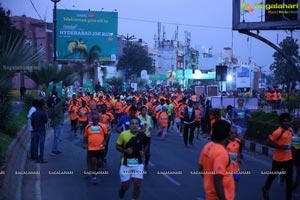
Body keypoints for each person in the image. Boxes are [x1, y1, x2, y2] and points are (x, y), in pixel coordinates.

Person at [199, 120, 235, 200]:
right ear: (227, 134)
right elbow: (217, 179)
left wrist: (209, 181)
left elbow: (201, 169)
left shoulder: (207, 147)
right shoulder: (221, 153)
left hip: (209, 195)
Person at [262, 113, 293, 200]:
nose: (287, 123)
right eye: (285, 121)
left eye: (288, 121)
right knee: (273, 175)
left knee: (289, 180)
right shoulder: (278, 132)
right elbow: (268, 142)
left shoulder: (289, 131)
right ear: (281, 122)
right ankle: (265, 188)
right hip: (278, 159)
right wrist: (280, 147)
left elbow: (289, 143)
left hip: (289, 159)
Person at [116, 118, 149, 199]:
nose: (134, 125)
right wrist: (125, 151)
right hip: (125, 163)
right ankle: (123, 189)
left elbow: (146, 145)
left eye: (136, 124)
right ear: (130, 125)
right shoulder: (123, 134)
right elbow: (117, 146)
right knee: (126, 186)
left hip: (138, 163)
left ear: (138, 125)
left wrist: (143, 152)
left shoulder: (142, 135)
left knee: (137, 184)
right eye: (133, 124)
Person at [83, 113, 108, 184]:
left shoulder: (102, 126)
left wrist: (105, 141)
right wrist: (84, 143)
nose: (95, 120)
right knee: (93, 161)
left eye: (97, 119)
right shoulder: (88, 127)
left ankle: (95, 169)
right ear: (92, 119)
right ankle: (94, 177)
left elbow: (106, 135)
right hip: (91, 148)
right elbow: (85, 136)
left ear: (99, 120)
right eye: (94, 119)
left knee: (100, 162)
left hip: (100, 148)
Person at [226, 126, 243, 197]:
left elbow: (238, 152)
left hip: (236, 169)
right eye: (231, 133)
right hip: (226, 170)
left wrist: (239, 159)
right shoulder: (225, 143)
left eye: (235, 133)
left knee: (234, 188)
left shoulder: (238, 142)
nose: (233, 135)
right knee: (227, 188)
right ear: (228, 134)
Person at [138, 106, 152, 172]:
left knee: (147, 152)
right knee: (139, 151)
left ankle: (146, 165)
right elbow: (136, 128)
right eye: (143, 110)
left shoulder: (149, 117)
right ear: (140, 111)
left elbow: (150, 126)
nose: (144, 111)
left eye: (145, 110)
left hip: (148, 136)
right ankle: (138, 165)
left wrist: (149, 131)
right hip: (140, 136)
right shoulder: (138, 118)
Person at [291, 117, 300, 192]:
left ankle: (295, 185)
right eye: (296, 123)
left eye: (299, 123)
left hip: (298, 153)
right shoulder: (289, 131)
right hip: (289, 153)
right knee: (288, 170)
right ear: (293, 123)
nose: (297, 125)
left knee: (298, 171)